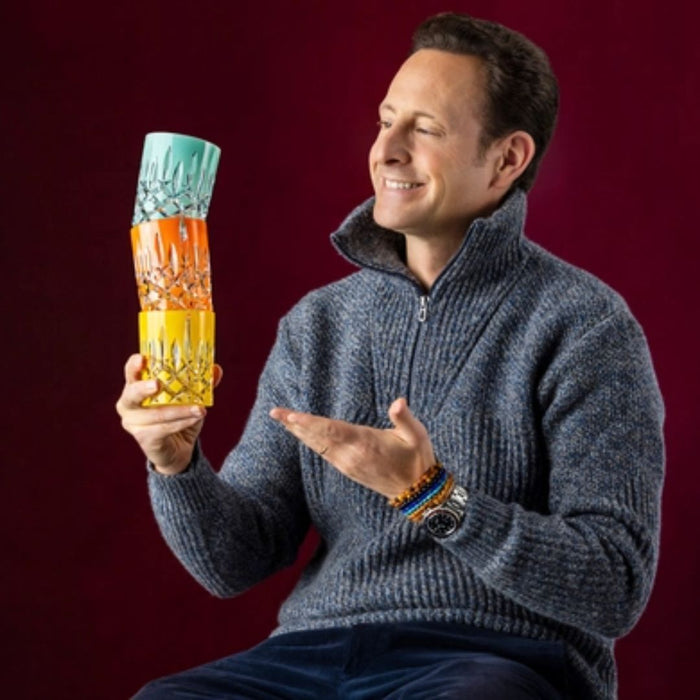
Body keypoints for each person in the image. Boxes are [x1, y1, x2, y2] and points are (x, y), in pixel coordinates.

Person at [116, 12, 664, 700]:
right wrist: (176, 466)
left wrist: (433, 496)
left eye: (425, 129)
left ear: (507, 159)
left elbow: (613, 584)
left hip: (494, 659)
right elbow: (235, 561)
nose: (387, 151)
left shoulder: (584, 325)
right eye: (385, 121)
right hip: (315, 654)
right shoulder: (318, 325)